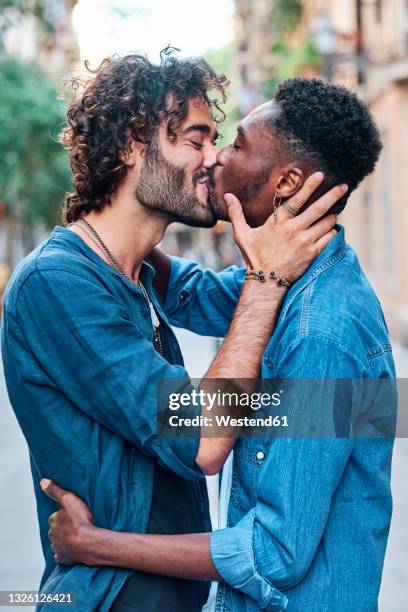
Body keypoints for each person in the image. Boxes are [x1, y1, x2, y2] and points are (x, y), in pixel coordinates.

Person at [0, 54, 340, 612]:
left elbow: (216, 296)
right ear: (133, 145)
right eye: (195, 139)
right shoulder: (55, 283)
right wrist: (265, 278)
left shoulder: (137, 273)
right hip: (109, 598)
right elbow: (205, 438)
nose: (214, 159)